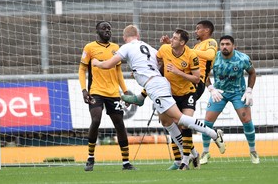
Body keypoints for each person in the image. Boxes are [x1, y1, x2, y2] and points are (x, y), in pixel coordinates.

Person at [92, 24, 226, 170]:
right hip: (160, 83)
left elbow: (108, 65)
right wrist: (137, 71)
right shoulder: (148, 47)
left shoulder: (126, 47)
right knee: (166, 121)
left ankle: (214, 134)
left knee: (179, 119)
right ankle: (192, 153)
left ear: (125, 38)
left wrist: (96, 62)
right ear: (138, 36)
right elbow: (159, 62)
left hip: (156, 87)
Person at [78, 21, 136, 171]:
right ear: (97, 30)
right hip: (96, 90)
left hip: (113, 93)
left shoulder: (116, 48)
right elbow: (82, 69)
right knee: (96, 119)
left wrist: (125, 90)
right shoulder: (89, 47)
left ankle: (126, 162)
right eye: (104, 28)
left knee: (119, 124)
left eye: (109, 29)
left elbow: (118, 72)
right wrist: (84, 90)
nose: (107, 31)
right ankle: (90, 158)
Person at [201, 35, 260, 164]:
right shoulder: (213, 58)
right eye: (222, 44)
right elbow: (203, 73)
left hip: (238, 93)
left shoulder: (242, 58)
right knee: (207, 122)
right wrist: (211, 88)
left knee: (247, 120)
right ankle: (205, 152)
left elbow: (252, 72)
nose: (224, 47)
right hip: (219, 93)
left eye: (227, 44)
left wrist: (249, 90)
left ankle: (253, 151)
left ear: (234, 46)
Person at [157, 29, 204, 170]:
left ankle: (184, 161)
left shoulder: (191, 55)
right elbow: (157, 61)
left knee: (185, 123)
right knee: (172, 126)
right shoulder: (165, 49)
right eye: (172, 37)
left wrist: (178, 72)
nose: (172, 40)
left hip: (188, 93)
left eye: (175, 38)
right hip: (170, 94)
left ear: (182, 42)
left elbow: (196, 78)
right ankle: (193, 154)